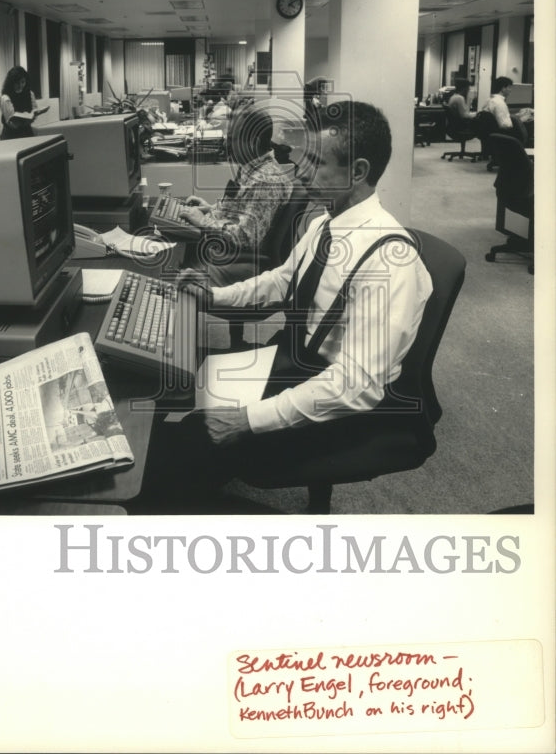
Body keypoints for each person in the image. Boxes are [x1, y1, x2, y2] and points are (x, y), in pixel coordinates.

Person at [141, 100, 433, 513]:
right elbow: (281, 280)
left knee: (191, 442)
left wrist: (248, 420)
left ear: (359, 172)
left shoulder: (390, 261)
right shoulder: (325, 224)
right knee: (185, 407)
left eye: (317, 162)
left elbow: (357, 386)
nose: (302, 170)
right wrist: (215, 297)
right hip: (298, 364)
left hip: (345, 407)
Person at [177, 107, 295, 285]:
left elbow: (245, 237)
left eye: (232, 139)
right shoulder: (254, 168)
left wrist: (203, 221)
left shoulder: (265, 181)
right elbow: (243, 210)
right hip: (230, 250)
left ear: (252, 143)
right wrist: (210, 209)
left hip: (240, 260)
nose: (227, 145)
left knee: (170, 273)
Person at [0, 66, 48, 140]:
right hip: (11, 135)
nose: (20, 85)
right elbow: (11, 123)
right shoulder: (5, 98)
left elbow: (34, 111)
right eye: (17, 83)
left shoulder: (30, 94)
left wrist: (33, 116)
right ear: (11, 82)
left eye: (23, 82)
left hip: (27, 133)